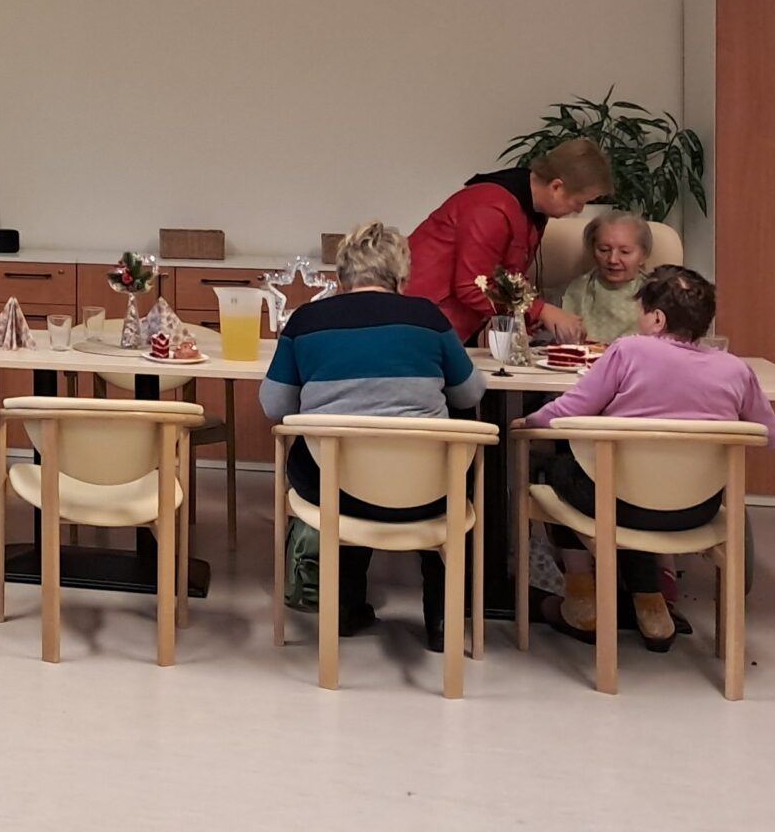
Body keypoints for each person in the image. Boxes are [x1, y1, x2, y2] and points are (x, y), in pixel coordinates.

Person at [521, 265, 775, 649]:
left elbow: (569, 411)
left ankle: (582, 600)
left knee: (562, 470)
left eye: (641, 311)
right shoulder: (736, 369)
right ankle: (651, 607)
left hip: (622, 503)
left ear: (657, 319)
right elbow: (772, 436)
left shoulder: (629, 350)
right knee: (637, 490)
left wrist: (526, 424)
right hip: (697, 509)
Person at [260, 221, 486, 647]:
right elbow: (471, 393)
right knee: (447, 450)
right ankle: (442, 619)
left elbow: (274, 406)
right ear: (401, 276)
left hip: (335, 491)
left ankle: (344, 606)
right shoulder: (428, 317)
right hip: (427, 493)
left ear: (342, 275)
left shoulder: (306, 321)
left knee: (332, 457)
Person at [406, 138, 612, 346]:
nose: (579, 210)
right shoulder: (492, 208)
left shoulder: (530, 210)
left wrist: (535, 317)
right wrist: (540, 311)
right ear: (556, 187)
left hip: (442, 321)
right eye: (579, 202)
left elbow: (507, 279)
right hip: (421, 321)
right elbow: (472, 287)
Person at [554, 210, 655, 344]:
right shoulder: (573, 291)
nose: (613, 259)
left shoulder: (658, 294)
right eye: (604, 250)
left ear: (643, 255)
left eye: (625, 252)